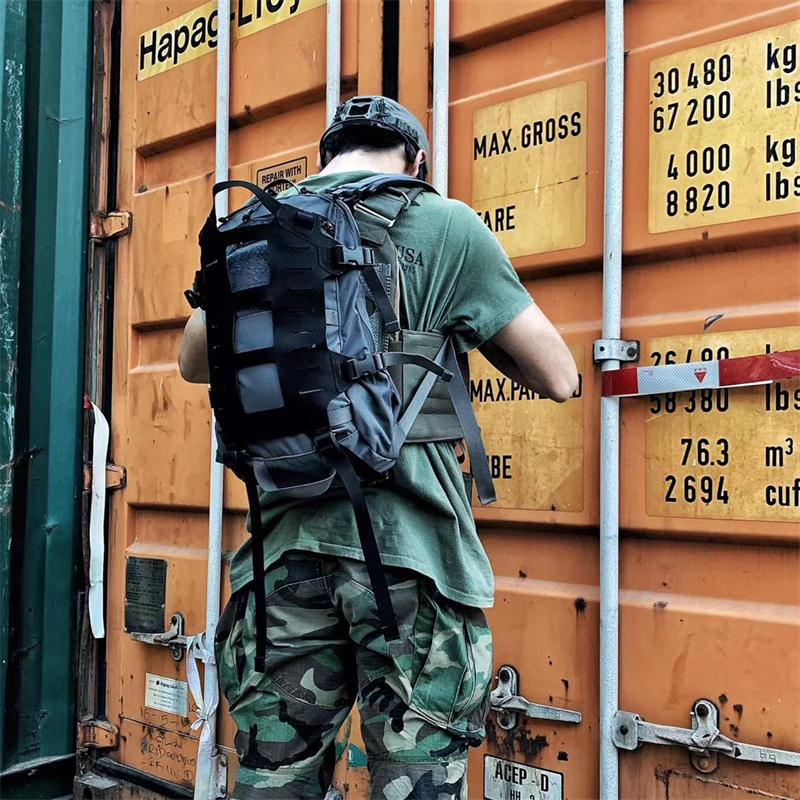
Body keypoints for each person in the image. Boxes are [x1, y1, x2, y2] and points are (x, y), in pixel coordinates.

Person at [180, 96, 578, 800]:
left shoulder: (260, 225)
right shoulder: (448, 225)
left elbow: (192, 361)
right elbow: (559, 376)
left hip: (281, 559)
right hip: (409, 559)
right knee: (414, 782)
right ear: (415, 161)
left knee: (273, 781)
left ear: (327, 156)